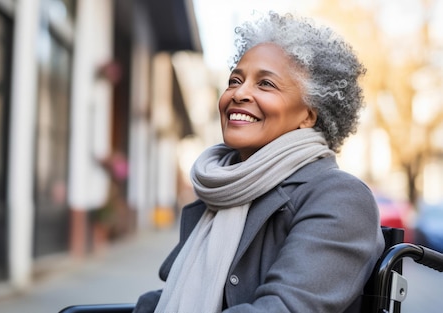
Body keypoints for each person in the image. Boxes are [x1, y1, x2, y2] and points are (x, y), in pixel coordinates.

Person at [133, 12, 385, 313]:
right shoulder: (224, 189)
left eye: (265, 84)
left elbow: (284, 308)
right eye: (234, 81)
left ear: (308, 115)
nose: (239, 93)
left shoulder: (339, 197)